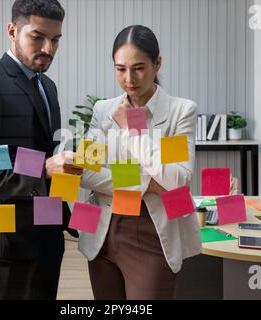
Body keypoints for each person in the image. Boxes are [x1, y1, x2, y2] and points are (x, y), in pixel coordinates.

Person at [0, 0, 80, 300]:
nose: (48, 49)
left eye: (55, 39)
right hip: (7, 246)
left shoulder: (47, 86)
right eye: (37, 37)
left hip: (48, 238)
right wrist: (45, 168)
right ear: (12, 30)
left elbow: (42, 151)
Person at [79, 25, 202, 300]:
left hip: (153, 233)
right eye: (120, 69)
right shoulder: (103, 110)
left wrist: (131, 130)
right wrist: (147, 183)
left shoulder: (179, 112)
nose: (129, 79)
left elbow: (176, 180)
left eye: (138, 68)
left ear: (157, 63)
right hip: (104, 231)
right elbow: (86, 172)